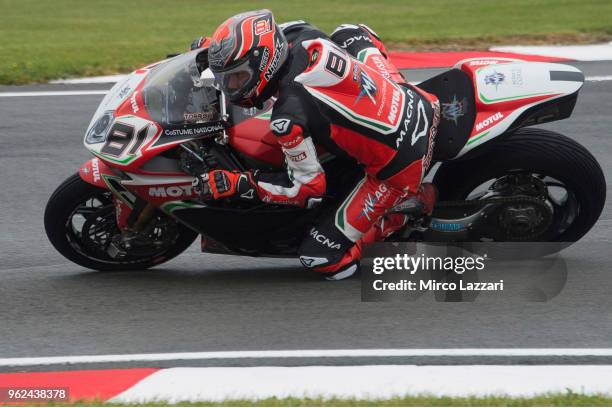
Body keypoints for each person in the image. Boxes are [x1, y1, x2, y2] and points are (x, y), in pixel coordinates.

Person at [196, 10, 440, 280]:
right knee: (349, 32)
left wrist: (240, 183)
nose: (230, 86)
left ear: (264, 64)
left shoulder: (288, 117)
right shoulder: (298, 33)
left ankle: (402, 212)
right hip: (408, 96)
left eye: (238, 77)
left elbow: (307, 189)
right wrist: (216, 51)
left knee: (321, 257)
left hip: (401, 161)